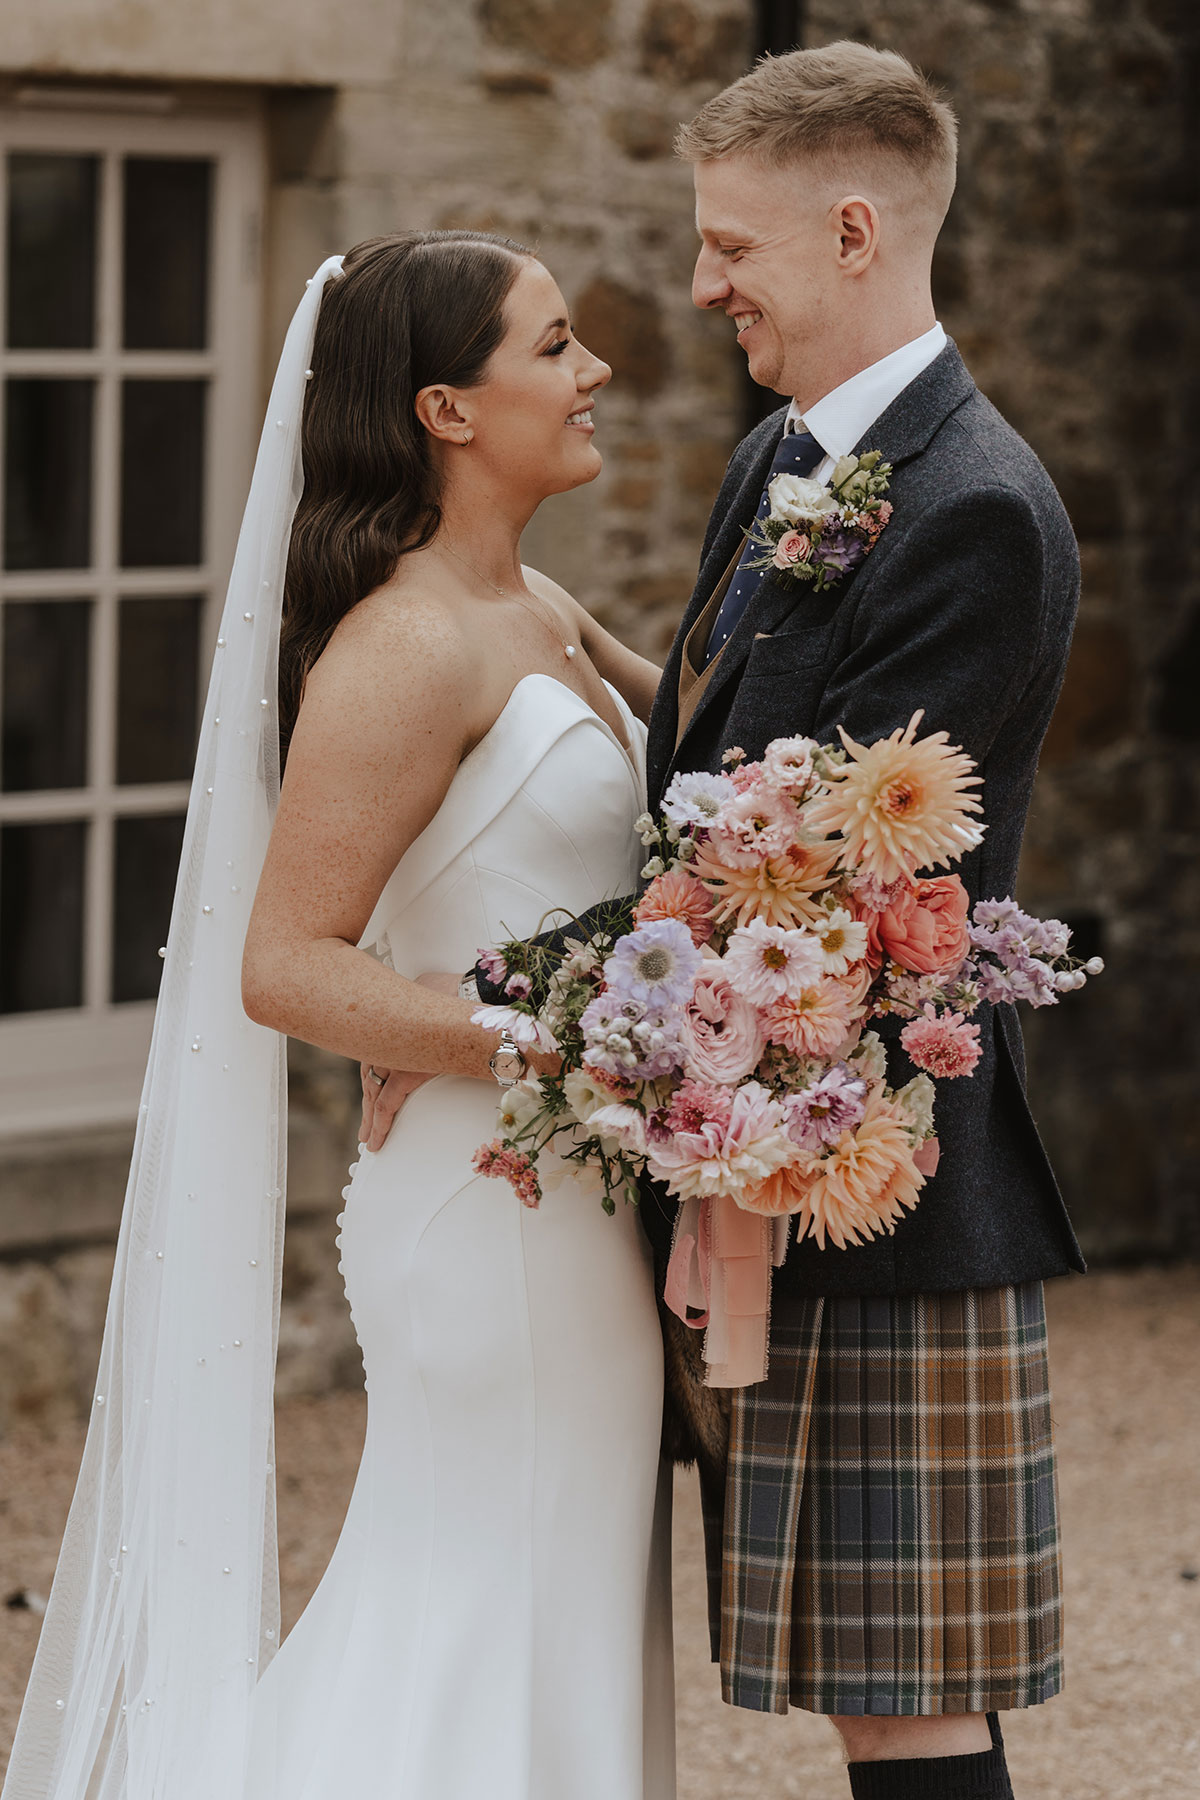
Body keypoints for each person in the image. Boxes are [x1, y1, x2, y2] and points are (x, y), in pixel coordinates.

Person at [456, 39, 1080, 1800]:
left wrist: (499, 1021)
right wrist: (591, 658)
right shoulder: (788, 460)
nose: (706, 281)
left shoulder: (976, 513)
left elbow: (837, 885)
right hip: (763, 1154)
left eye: (734, 246)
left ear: (858, 230)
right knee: (856, 1677)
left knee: (906, 1690)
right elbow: (744, 770)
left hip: (871, 1168)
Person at [2, 232, 675, 1800]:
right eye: (557, 347)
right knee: (464, 1605)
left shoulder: (540, 605)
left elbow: (721, 783)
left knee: (548, 1602)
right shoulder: (404, 644)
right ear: (447, 408)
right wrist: (535, 1037)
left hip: (570, 1199)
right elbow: (286, 964)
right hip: (486, 1208)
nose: (596, 375)